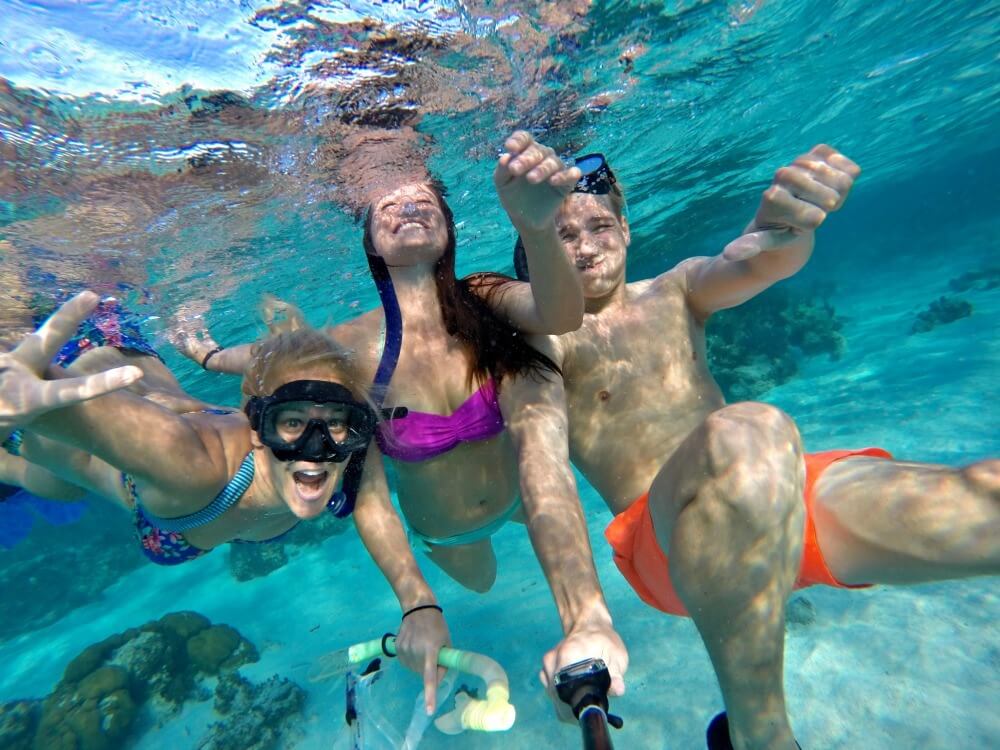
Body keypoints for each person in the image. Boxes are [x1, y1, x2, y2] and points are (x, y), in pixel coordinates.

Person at [504, 146, 1000, 748]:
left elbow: (751, 264)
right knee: (749, 430)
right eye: (560, 237)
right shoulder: (543, 343)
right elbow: (542, 468)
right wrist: (584, 615)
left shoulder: (676, 288)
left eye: (599, 225)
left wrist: (783, 231)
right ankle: (762, 735)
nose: (584, 246)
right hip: (668, 545)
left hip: (774, 493)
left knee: (984, 498)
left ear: (626, 227)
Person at [0, 291, 454, 710]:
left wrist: (419, 604)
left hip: (136, 359)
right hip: (69, 375)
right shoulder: (187, 462)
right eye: (291, 424)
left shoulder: (347, 446)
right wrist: (14, 396)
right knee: (54, 470)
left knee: (66, 475)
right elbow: (32, 396)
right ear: (257, 428)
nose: (317, 449)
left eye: (336, 423)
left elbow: (374, 505)